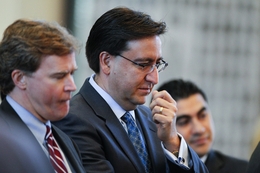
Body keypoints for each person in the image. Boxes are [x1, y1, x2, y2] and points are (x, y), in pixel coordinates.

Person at [53, 7, 208, 173]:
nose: (154, 79)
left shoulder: (152, 118)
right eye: (143, 64)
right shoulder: (73, 119)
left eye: (157, 64)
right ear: (106, 62)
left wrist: (172, 141)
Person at [0, 19, 85, 173]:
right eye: (59, 76)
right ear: (20, 79)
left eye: (72, 74)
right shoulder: (4, 141)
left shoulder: (64, 141)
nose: (72, 86)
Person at [157, 79, 248, 173]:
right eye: (184, 122)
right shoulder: (148, 168)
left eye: (203, 115)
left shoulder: (244, 169)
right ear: (160, 127)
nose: (199, 129)